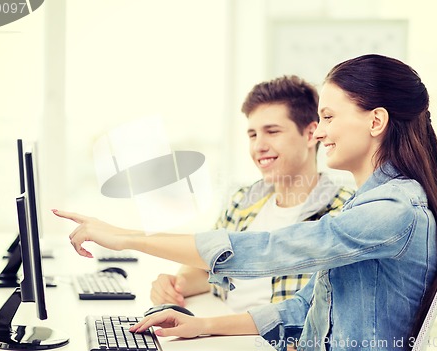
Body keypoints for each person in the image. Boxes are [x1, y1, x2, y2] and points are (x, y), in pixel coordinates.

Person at [54, 54, 437, 351]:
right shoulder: (373, 203)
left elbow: (270, 250)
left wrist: (124, 237)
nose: (321, 132)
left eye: (330, 118)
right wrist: (203, 327)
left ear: (375, 121)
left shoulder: (393, 210)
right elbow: (304, 307)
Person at [149, 75, 353, 313]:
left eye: (272, 132)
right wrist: (176, 285)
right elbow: (206, 265)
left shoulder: (343, 210)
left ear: (310, 134)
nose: (258, 146)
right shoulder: (243, 200)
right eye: (253, 135)